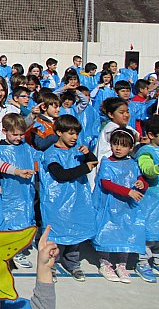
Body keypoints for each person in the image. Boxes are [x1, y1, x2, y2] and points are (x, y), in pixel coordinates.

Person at [39, 115, 97, 282]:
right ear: (59, 132)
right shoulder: (51, 153)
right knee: (56, 235)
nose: (75, 137)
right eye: (70, 133)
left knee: (76, 233)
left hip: (78, 199)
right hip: (57, 200)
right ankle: (52, 264)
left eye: (77, 134)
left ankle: (72, 263)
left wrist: (89, 154)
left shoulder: (78, 150)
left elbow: (93, 163)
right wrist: (84, 167)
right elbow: (60, 174)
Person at [92, 128, 147, 283]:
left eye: (123, 145)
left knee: (126, 233)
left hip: (126, 207)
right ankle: (104, 263)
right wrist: (128, 191)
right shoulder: (107, 162)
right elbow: (106, 183)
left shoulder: (133, 163)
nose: (118, 148)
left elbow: (142, 179)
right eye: (115, 144)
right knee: (106, 232)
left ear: (130, 148)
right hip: (109, 205)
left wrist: (141, 184)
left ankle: (121, 264)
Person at [0, 113, 40, 269]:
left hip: (25, 191)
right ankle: (12, 252)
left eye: (21, 134)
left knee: (24, 218)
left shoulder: (25, 147)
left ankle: (17, 248)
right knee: (10, 221)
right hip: (8, 192)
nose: (19, 137)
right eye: (15, 134)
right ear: (5, 131)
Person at [134, 114, 159, 283]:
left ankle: (157, 259)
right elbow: (147, 170)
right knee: (148, 234)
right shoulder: (146, 151)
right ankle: (143, 262)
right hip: (151, 201)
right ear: (151, 135)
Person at [92, 97, 139, 189]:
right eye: (121, 112)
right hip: (107, 170)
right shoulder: (111, 128)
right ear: (110, 114)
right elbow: (129, 137)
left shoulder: (124, 127)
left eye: (127, 112)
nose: (126, 115)